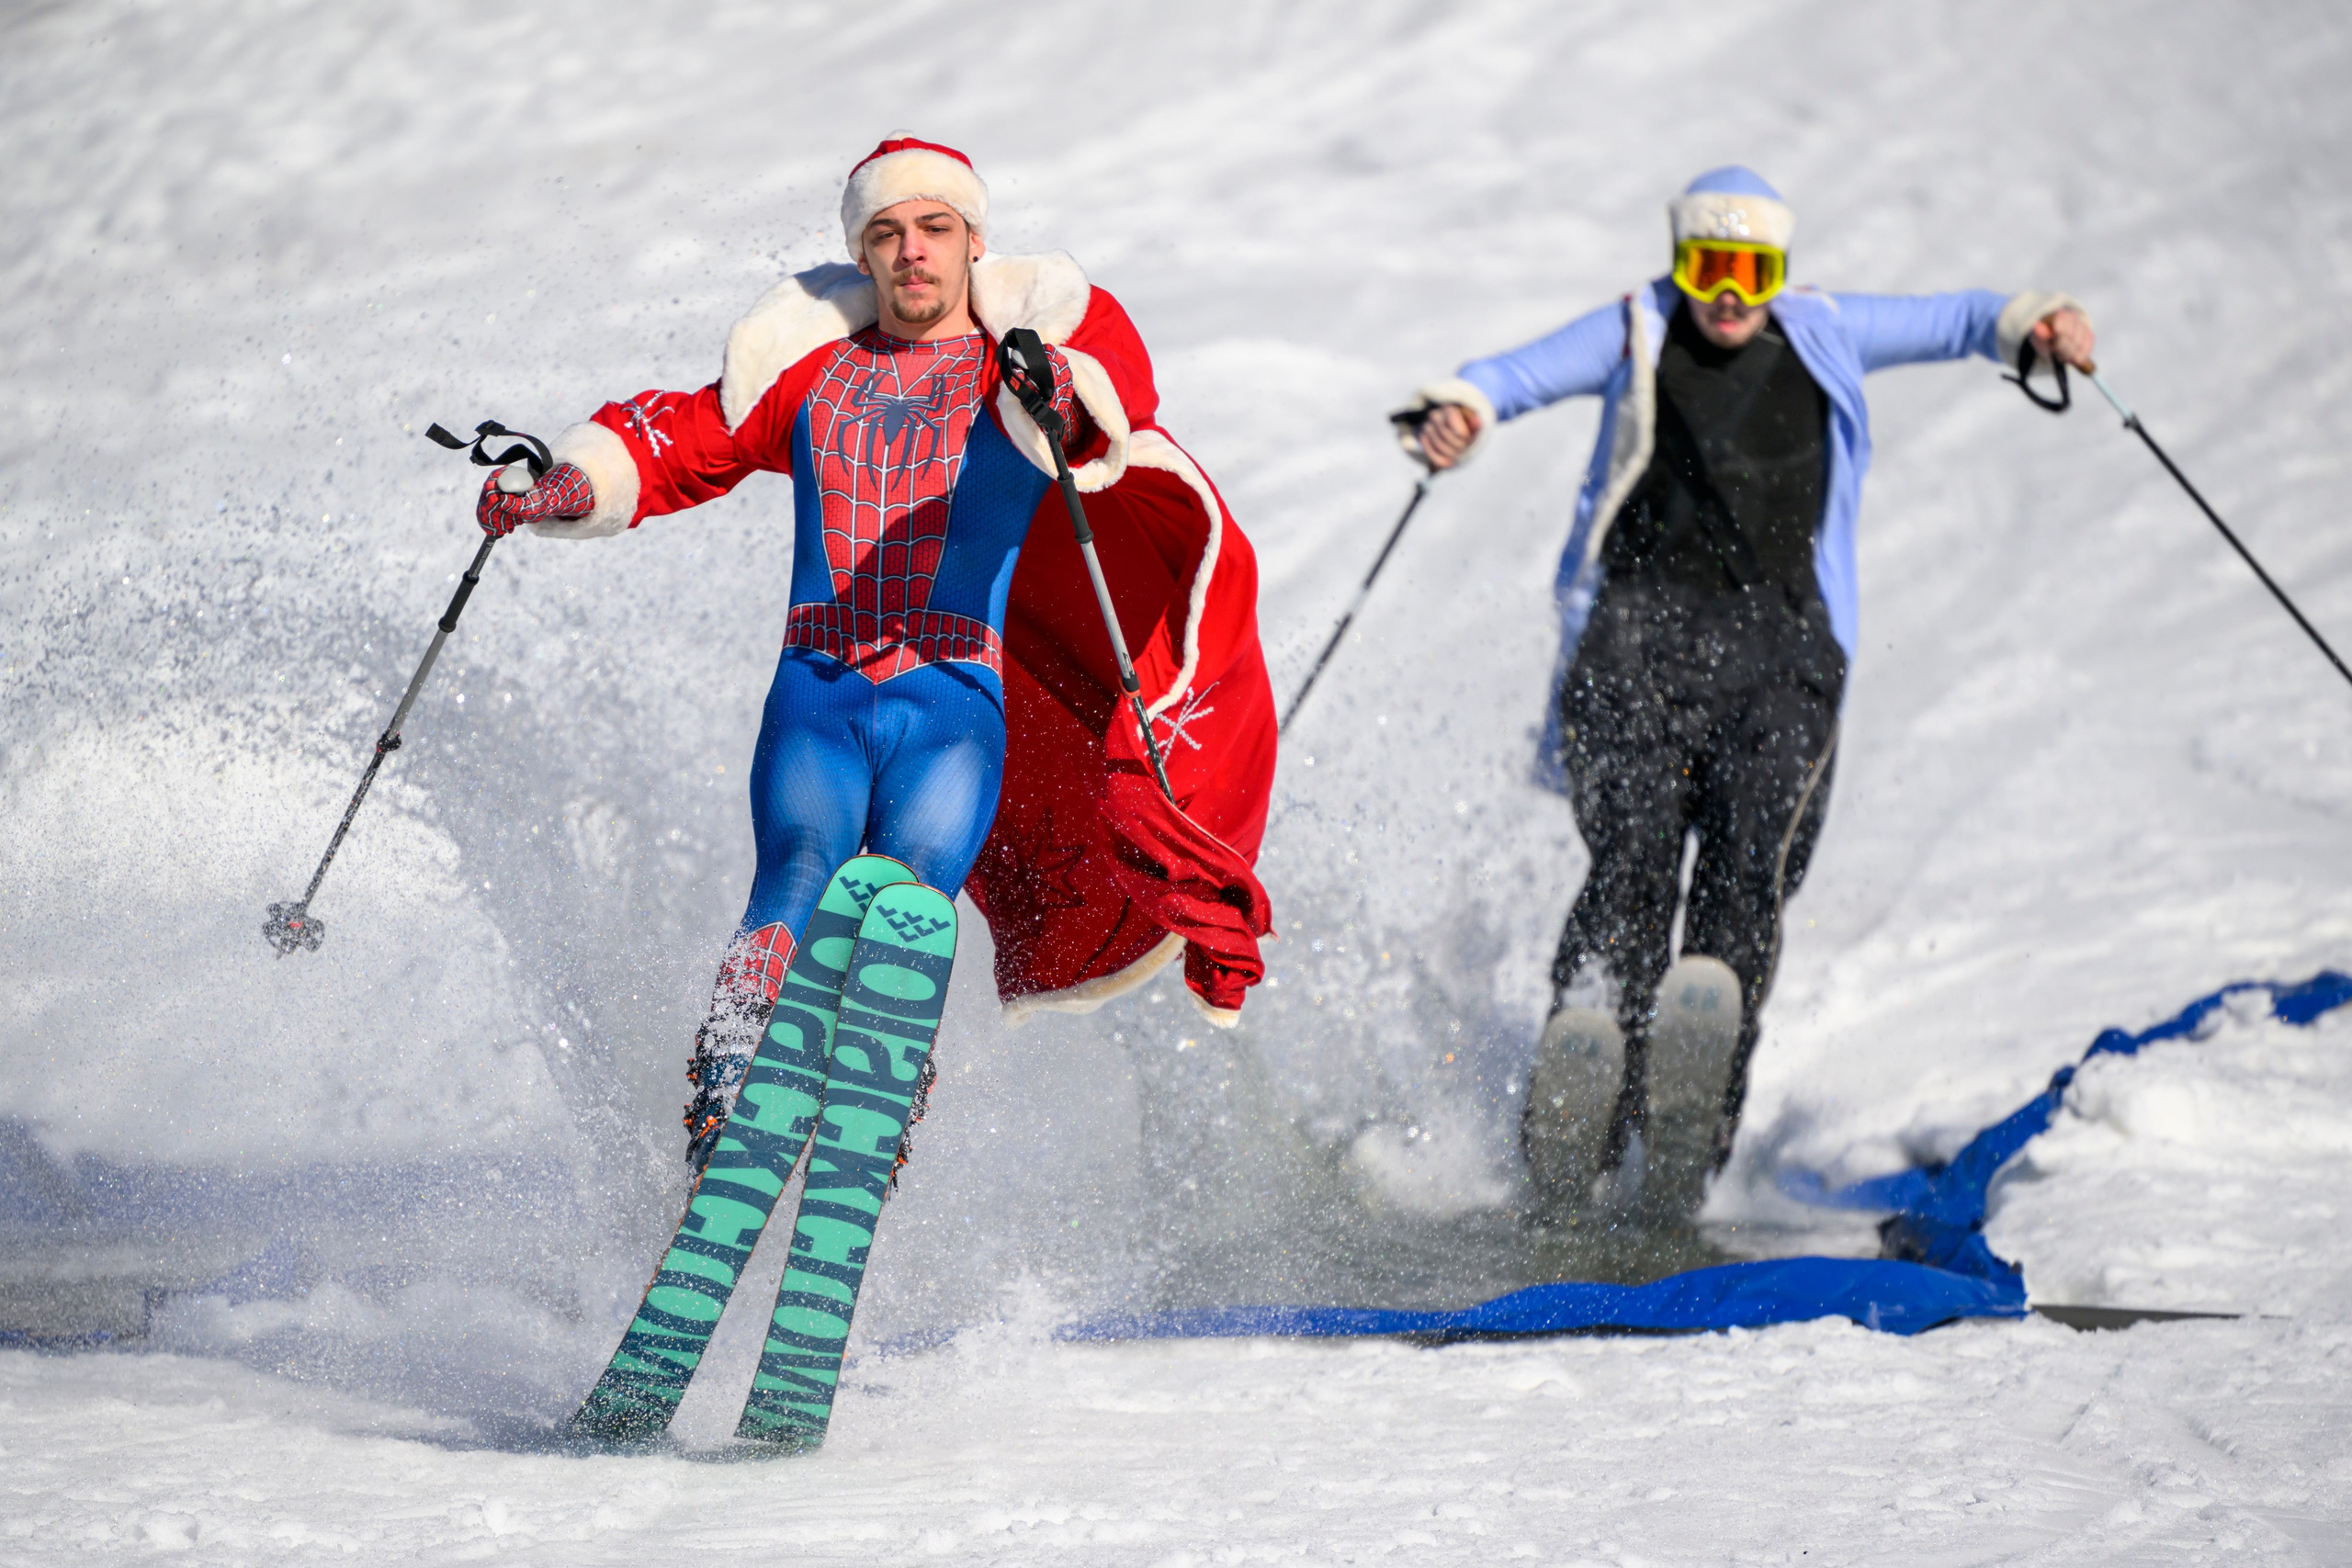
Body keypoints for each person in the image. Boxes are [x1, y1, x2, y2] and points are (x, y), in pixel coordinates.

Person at [475, 135, 1277, 1168]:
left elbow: (1096, 414)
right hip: (817, 692)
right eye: (888, 234)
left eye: (935, 230)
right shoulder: (807, 376)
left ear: (973, 243)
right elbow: (675, 442)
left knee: (908, 892)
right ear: (861, 254)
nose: (913, 253)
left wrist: (1057, 389)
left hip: (951, 704)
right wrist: (560, 487)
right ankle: (726, 1085)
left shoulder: (1017, 368)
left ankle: (873, 1094)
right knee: (794, 877)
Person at [1402, 166, 2094, 1210]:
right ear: (1679, 262)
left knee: (1745, 870)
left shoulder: (1821, 327)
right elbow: (1508, 377)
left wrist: (2037, 324)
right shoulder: (1638, 326)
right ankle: (1581, 1086)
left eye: (1751, 269)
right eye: (1706, 266)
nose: (1727, 292)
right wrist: (1458, 410)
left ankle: (1696, 1117)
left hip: (1782, 660)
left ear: (1780, 268)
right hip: (1631, 647)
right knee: (1631, 865)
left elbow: (1960, 320)